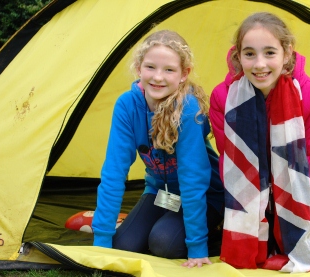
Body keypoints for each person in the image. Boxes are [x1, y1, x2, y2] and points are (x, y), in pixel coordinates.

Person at [209, 12, 310, 272]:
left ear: (287, 53)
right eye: (249, 54)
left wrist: (307, 222)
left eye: (270, 52)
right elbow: (232, 164)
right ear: (238, 56)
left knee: (296, 247)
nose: (259, 64)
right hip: (253, 191)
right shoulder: (223, 97)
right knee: (250, 248)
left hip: (298, 190)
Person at [92, 29, 224, 268]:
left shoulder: (188, 109)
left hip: (205, 195)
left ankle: (215, 231)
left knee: (164, 244)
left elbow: (193, 180)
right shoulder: (127, 105)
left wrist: (197, 246)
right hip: (159, 192)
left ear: (184, 74)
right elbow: (114, 172)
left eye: (169, 70)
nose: (158, 77)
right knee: (123, 245)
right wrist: (101, 241)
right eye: (150, 67)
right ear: (138, 67)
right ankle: (168, 224)